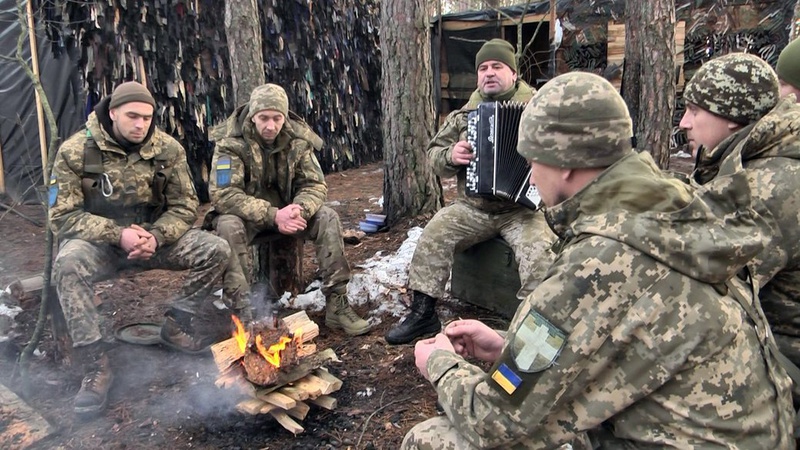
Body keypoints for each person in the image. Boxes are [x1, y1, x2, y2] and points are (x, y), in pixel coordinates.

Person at [401, 72, 794, 449]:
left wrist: (440, 364)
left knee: (434, 440)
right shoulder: (670, 208)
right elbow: (613, 334)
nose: (531, 179)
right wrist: (507, 345)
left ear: (564, 161)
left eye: (531, 162)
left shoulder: (597, 264)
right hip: (744, 430)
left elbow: (494, 418)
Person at [50, 81, 232, 417]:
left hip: (153, 240)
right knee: (67, 264)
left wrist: (157, 236)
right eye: (132, 116)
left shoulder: (167, 149)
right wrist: (117, 234)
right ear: (113, 112)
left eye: (147, 117)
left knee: (216, 249)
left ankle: (176, 324)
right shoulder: (76, 151)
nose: (141, 124)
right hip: (100, 245)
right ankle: (96, 366)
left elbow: (186, 204)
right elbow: (61, 216)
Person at [385, 38, 556, 345]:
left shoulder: (540, 109)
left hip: (522, 210)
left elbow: (563, 151)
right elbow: (434, 156)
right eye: (483, 68)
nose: (489, 73)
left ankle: (536, 326)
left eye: (497, 66)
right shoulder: (463, 115)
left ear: (514, 74)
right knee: (435, 232)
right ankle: (423, 313)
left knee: (541, 252)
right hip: (473, 208)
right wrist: (452, 155)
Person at [206, 83, 371, 336]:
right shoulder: (230, 142)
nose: (270, 126)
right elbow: (224, 194)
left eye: (276, 118)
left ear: (284, 117)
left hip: (290, 214)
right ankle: (242, 314)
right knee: (227, 225)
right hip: (247, 218)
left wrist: (300, 209)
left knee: (327, 217)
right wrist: (274, 215)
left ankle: (337, 305)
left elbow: (314, 184)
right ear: (252, 116)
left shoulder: (299, 139)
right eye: (263, 118)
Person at [680, 53, 800, 366]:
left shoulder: (768, 187)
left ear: (732, 116)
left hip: (785, 354)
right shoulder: (764, 155)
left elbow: (702, 277)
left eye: (694, 110)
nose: (684, 123)